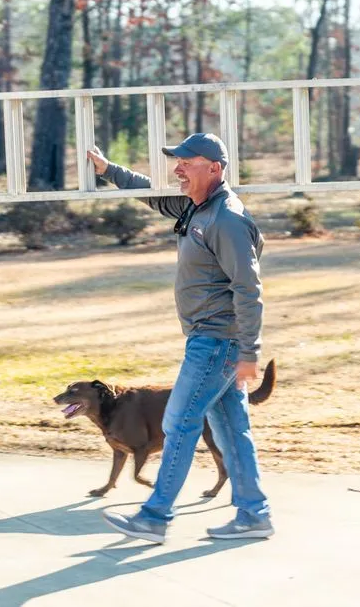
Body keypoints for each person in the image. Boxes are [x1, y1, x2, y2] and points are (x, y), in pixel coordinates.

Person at [86, 132, 273, 544]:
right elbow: (152, 195)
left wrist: (249, 352)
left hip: (216, 341)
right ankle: (254, 514)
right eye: (178, 161)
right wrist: (108, 170)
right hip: (210, 340)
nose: (177, 169)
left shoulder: (227, 219)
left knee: (178, 421)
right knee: (230, 430)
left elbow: (248, 289)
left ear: (215, 168)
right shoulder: (197, 208)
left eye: (187, 162)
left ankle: (155, 516)